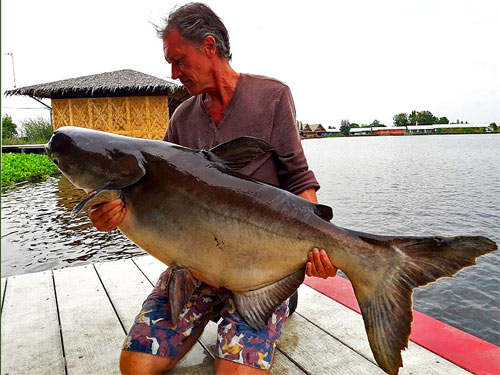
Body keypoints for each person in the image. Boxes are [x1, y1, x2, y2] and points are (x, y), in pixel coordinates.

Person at [88, 3, 338, 374]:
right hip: (196, 266)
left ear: (209, 46)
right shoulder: (182, 118)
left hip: (260, 271)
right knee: (135, 367)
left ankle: (277, 300)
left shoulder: (272, 96)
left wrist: (322, 242)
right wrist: (114, 215)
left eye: (178, 59)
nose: (173, 73)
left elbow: (298, 178)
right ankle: (215, 305)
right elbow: (160, 197)